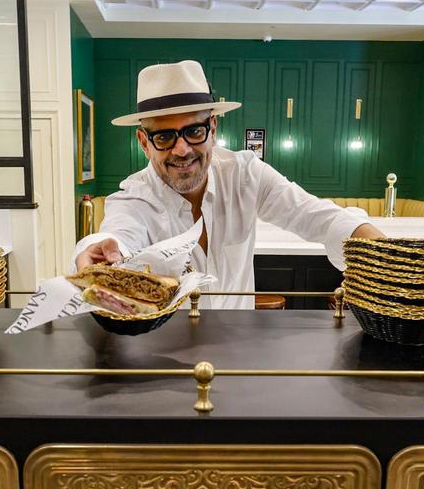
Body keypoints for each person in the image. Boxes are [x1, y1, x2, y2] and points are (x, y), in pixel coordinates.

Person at [72, 60, 389, 309]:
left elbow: (316, 216)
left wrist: (379, 249)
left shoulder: (245, 174)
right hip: (164, 361)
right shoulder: (133, 198)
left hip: (238, 351)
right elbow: (118, 234)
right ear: (144, 142)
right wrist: (99, 249)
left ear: (212, 127)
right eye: (164, 136)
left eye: (194, 130)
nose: (182, 149)